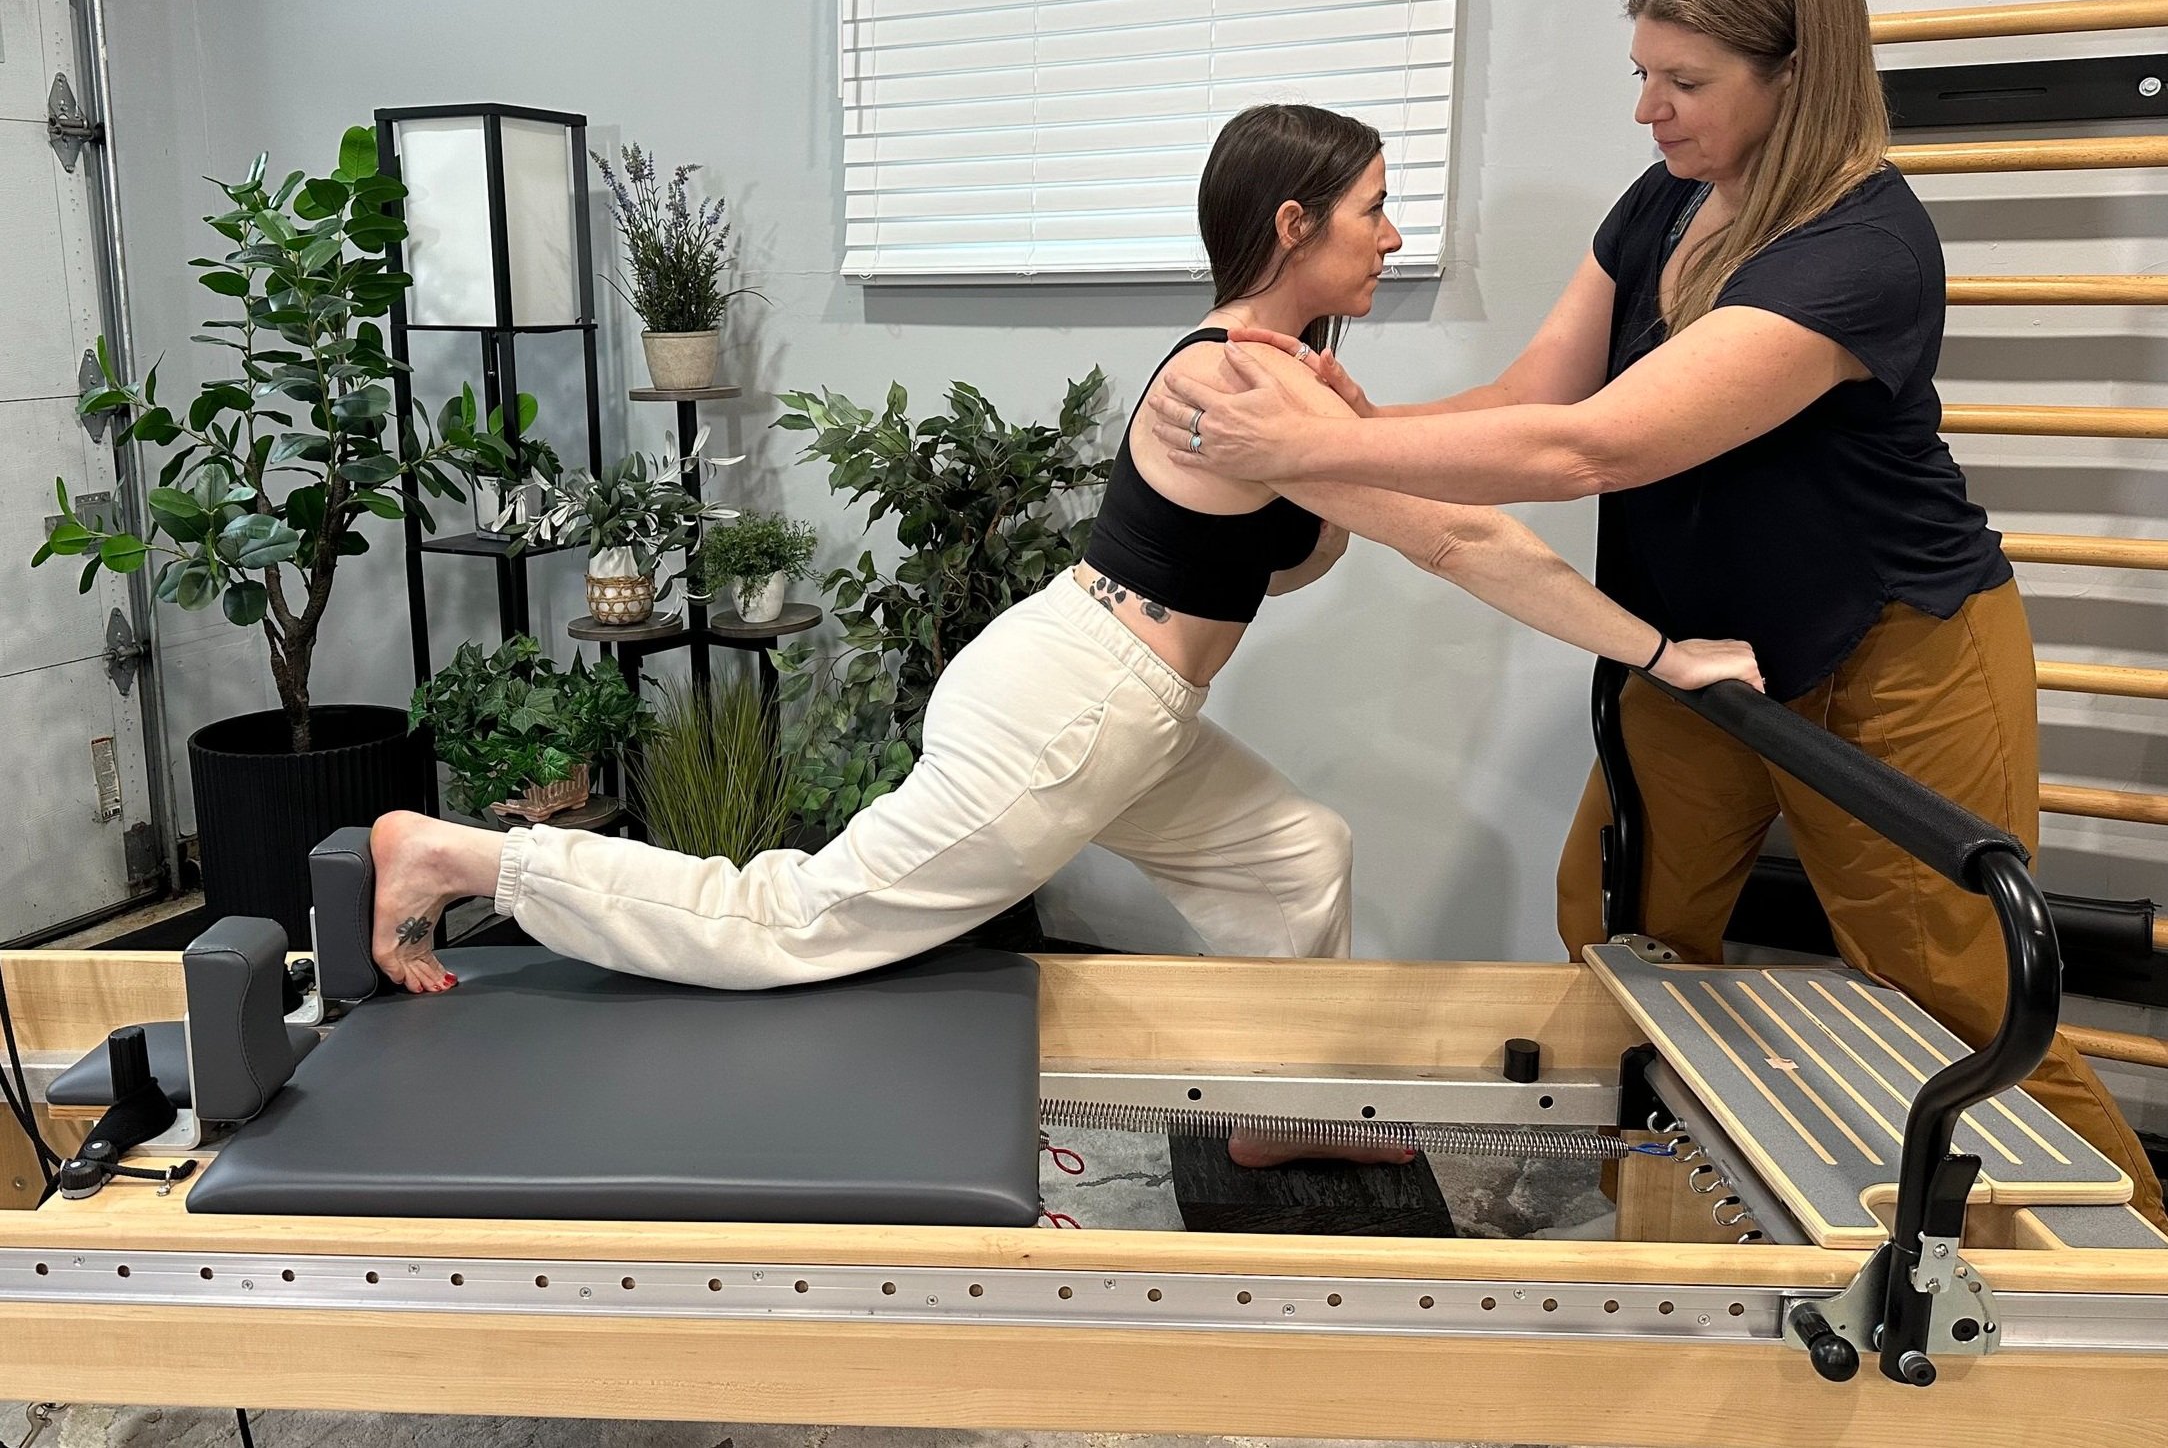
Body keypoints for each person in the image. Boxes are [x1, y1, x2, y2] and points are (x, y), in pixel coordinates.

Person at [1141, 0, 2167, 1226]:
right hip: (1695, 654)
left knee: (1958, 996)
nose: (1646, 109)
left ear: (1793, 80)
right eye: (1643, 72)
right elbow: (1533, 392)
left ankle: (2131, 1281)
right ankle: (1644, 1217)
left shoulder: (1863, 252)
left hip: (1892, 651)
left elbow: (1590, 448)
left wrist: (1309, 441)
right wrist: (1353, 434)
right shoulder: (1666, 199)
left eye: (1682, 83)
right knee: (1619, 932)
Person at [368, 105, 1759, 1069]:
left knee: (1298, 865)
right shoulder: (1237, 378)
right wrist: (1662, 651)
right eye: (1377, 208)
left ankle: (1272, 1113)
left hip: (1109, 694)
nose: (1392, 236)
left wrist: (1352, 441)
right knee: (794, 917)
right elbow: (1464, 538)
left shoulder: (1279, 377)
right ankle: (470, 856)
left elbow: (1320, 542)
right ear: (1295, 222)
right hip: (1077, 707)